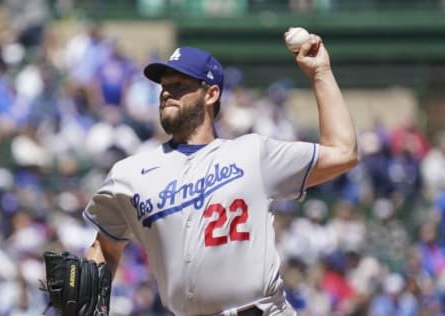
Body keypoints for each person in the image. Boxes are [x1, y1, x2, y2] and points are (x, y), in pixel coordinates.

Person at [82, 29, 358, 316]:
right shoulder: (130, 174)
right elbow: (105, 248)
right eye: (164, 85)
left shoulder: (253, 153)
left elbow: (343, 152)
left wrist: (320, 72)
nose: (166, 92)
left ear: (211, 94)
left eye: (179, 85)